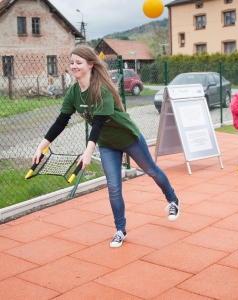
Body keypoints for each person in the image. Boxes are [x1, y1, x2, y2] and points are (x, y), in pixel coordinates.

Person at [32, 45, 180, 248]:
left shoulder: (101, 88)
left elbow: (99, 122)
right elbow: (61, 121)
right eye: (72, 62)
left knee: (151, 171)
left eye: (78, 62)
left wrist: (87, 152)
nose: (73, 66)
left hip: (128, 137)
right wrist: (42, 145)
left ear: (90, 65)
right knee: (113, 187)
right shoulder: (74, 92)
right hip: (107, 144)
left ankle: (172, 200)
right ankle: (120, 229)